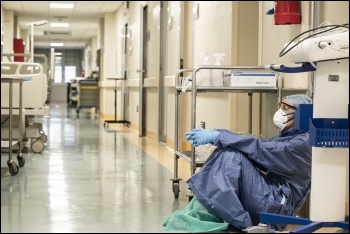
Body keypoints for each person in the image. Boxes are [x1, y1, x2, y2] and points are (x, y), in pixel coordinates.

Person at [163, 94, 312, 232]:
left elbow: (261, 149)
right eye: (280, 107)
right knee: (230, 152)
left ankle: (238, 221)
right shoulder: (291, 137)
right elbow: (258, 150)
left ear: (301, 114)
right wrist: (220, 135)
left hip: (276, 207)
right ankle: (207, 211)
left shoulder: (302, 143)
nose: (280, 112)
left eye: (286, 108)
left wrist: (220, 136)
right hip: (269, 196)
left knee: (231, 156)